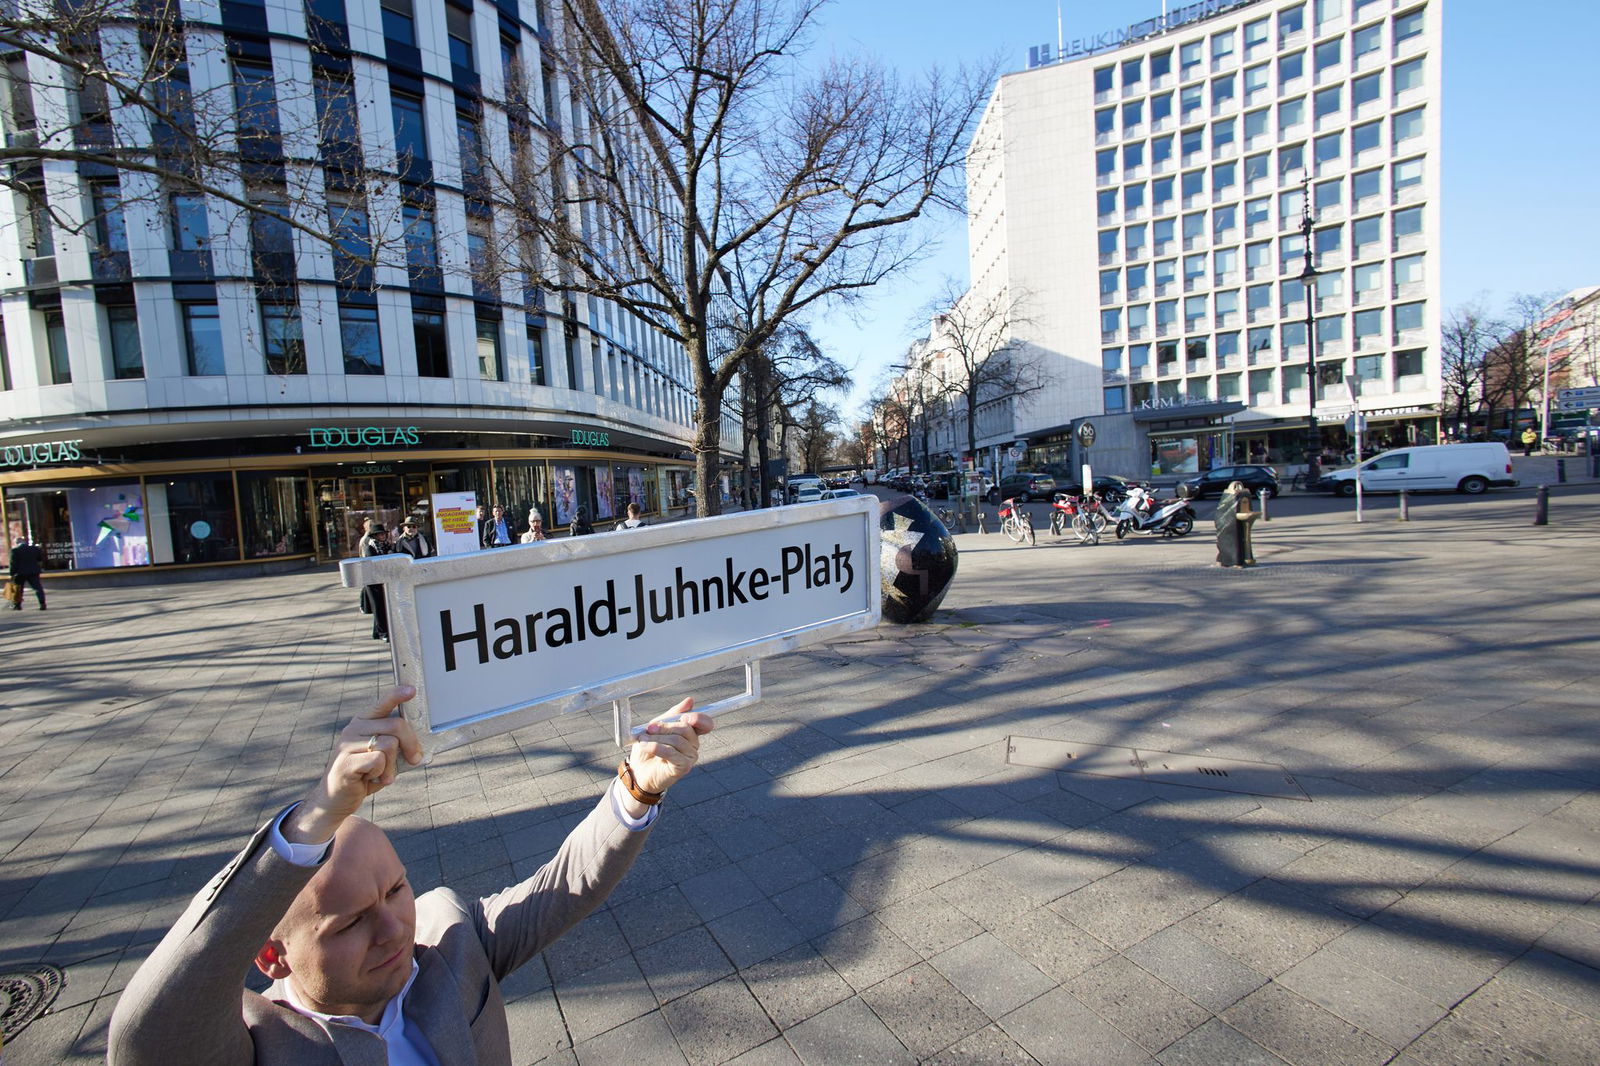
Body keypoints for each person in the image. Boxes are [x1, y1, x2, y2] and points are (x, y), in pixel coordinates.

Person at [108, 686, 711, 1066]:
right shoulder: (251, 1041)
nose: (394, 929)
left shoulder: (448, 940)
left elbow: (562, 887)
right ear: (271, 955)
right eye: (349, 924)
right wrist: (317, 815)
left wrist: (636, 789)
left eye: (396, 890)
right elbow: (149, 1028)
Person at [1213, 481, 1256, 568]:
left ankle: (1243, 559)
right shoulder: (1231, 498)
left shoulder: (1240, 496)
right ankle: (1234, 560)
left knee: (1241, 538)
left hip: (1236, 519)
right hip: (1229, 524)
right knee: (1234, 539)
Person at [359, 525, 391, 641]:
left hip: (383, 580)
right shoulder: (370, 548)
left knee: (383, 606)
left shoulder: (386, 546)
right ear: (375, 536)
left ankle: (377, 632)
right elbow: (374, 564)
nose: (383, 536)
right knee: (378, 607)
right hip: (373, 582)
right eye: (380, 534)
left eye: (384, 534)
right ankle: (383, 633)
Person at [9, 536, 45, 611]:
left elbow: (13, 564)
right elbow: (40, 559)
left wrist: (12, 574)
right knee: (38, 588)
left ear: (17, 543)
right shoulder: (34, 549)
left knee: (18, 590)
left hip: (20, 573)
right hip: (33, 572)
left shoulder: (15, 551)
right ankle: (42, 603)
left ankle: (17, 605)